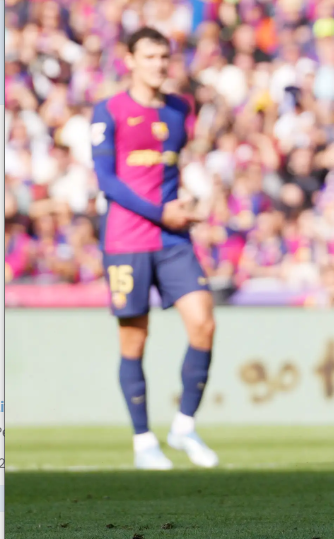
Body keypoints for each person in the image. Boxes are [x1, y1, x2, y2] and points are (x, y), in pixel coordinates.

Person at [91, 27, 218, 470]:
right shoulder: (108, 111)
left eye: (164, 57)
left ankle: (184, 426)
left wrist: (192, 203)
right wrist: (159, 211)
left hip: (172, 237)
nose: (159, 65)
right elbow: (106, 181)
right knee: (134, 340)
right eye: (149, 56)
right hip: (127, 237)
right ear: (129, 59)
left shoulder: (181, 108)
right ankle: (143, 440)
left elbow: (176, 170)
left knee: (203, 322)